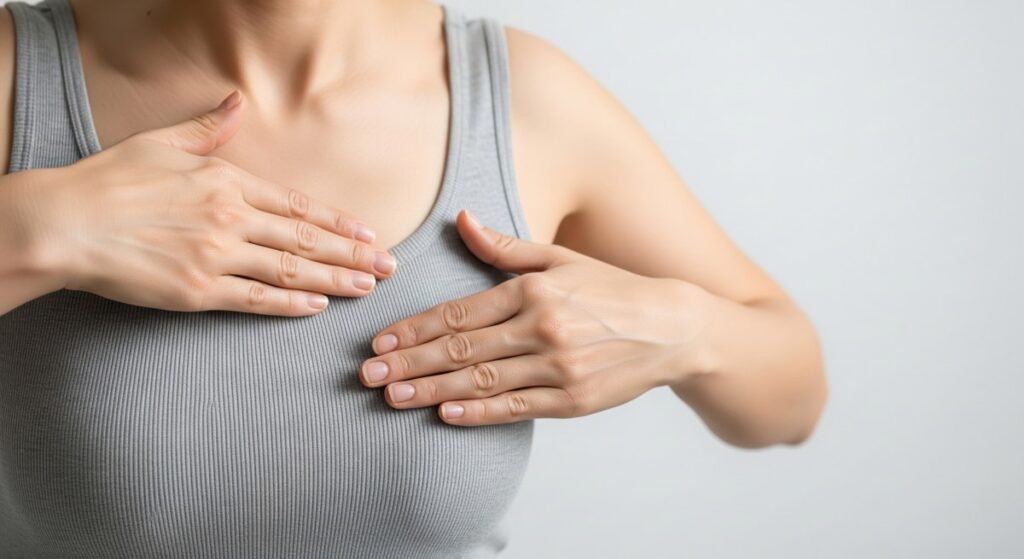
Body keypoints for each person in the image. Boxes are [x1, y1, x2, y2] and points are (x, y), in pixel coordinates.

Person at [0, 0, 828, 556]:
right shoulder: (13, 74)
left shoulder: (524, 99)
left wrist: (682, 331)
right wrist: (36, 231)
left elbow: (790, 402)